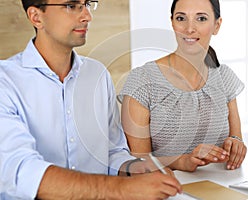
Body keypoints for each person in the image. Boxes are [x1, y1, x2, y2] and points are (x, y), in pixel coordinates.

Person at [0, 0, 182, 199]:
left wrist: (135, 168)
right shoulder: (5, 82)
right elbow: (19, 170)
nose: (87, 16)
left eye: (87, 4)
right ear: (36, 17)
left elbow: (112, 150)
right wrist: (122, 189)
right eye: (71, 6)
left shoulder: (97, 74)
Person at [118, 0, 247, 172]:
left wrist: (236, 144)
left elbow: (235, 136)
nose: (189, 28)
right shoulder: (143, 80)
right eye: (181, 18)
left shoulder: (224, 77)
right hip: (167, 191)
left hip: (223, 188)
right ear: (172, 22)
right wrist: (182, 162)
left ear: (217, 25)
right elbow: (138, 161)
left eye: (201, 18)